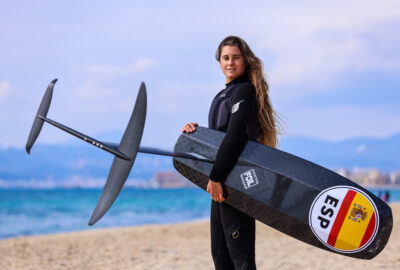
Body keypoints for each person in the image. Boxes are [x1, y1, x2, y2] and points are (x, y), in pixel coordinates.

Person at [182, 36, 280, 270]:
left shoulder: (244, 90)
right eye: (226, 58)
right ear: (219, 62)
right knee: (221, 256)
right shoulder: (222, 95)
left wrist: (215, 177)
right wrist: (194, 132)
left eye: (236, 57)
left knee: (241, 259)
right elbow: (219, 139)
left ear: (245, 60)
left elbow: (235, 137)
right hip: (222, 182)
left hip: (237, 182)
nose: (230, 62)